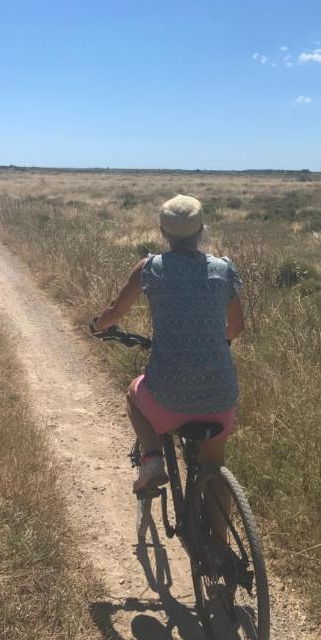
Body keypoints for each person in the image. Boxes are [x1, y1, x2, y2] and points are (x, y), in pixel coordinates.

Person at [93, 193, 244, 493]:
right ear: (201, 230)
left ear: (162, 232)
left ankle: (151, 460)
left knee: (133, 393)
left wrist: (97, 326)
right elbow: (236, 327)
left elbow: (116, 311)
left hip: (167, 399)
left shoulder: (150, 268)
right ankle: (218, 537)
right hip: (219, 397)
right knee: (215, 469)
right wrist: (214, 341)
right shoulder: (223, 269)